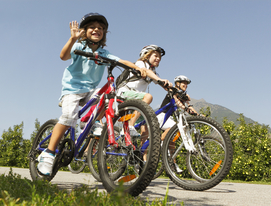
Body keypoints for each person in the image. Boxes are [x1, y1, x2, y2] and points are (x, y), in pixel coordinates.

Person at [37, 12, 147, 176]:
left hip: (91, 90)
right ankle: (49, 153)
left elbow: (122, 61)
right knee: (68, 117)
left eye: (101, 28)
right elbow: (63, 56)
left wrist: (137, 68)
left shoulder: (104, 53)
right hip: (72, 88)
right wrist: (72, 39)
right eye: (92, 27)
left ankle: (92, 123)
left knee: (106, 98)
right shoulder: (79, 46)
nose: (97, 29)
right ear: (84, 31)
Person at [117, 45, 172, 136]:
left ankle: (143, 150)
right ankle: (130, 126)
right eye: (155, 56)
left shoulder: (153, 72)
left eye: (160, 57)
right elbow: (146, 71)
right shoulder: (140, 63)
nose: (158, 59)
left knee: (146, 124)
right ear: (146, 55)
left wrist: (170, 88)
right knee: (148, 97)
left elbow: (159, 82)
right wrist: (160, 80)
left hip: (136, 99)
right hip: (124, 93)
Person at [156, 75, 199, 173]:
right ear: (177, 84)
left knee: (173, 140)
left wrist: (199, 115)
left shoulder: (185, 95)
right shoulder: (173, 91)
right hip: (161, 116)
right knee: (173, 128)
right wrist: (185, 108)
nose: (185, 85)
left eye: (186, 84)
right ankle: (160, 142)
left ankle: (172, 163)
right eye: (183, 83)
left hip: (169, 117)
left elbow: (190, 107)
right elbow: (177, 102)